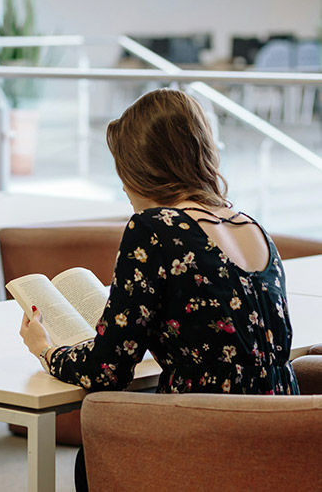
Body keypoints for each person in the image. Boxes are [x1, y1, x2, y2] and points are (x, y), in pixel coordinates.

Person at [18, 88, 299, 490]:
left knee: (93, 454)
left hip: (209, 433)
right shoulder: (252, 226)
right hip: (286, 435)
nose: (122, 188)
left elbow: (107, 371)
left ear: (142, 169)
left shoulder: (153, 227)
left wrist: (46, 350)